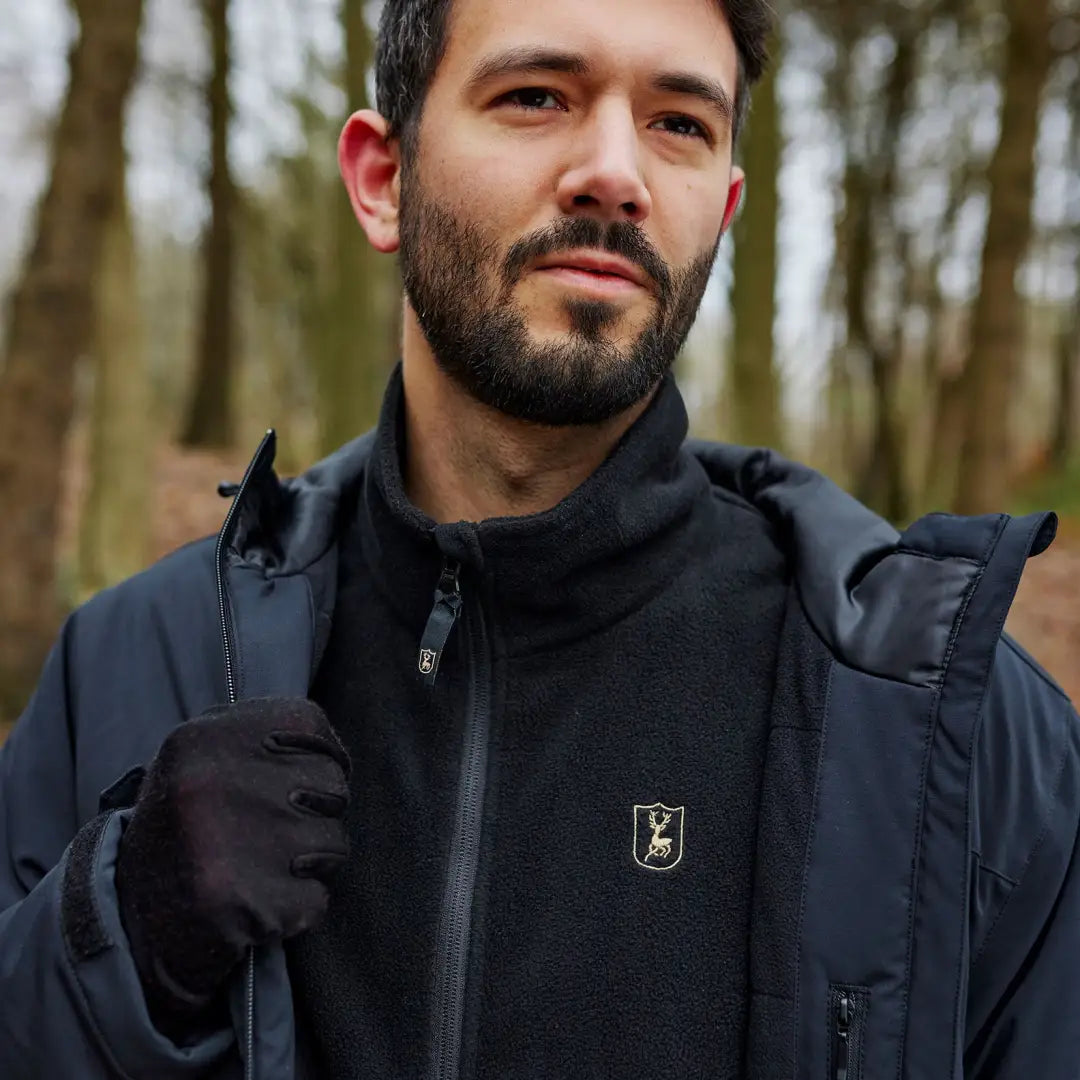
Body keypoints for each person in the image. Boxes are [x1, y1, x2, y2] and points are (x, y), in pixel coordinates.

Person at [0, 0, 1077, 1076]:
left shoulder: (946, 733)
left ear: (725, 209)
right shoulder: (129, 671)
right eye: (536, 96)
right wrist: (118, 930)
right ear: (384, 179)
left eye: (680, 123)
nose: (616, 171)